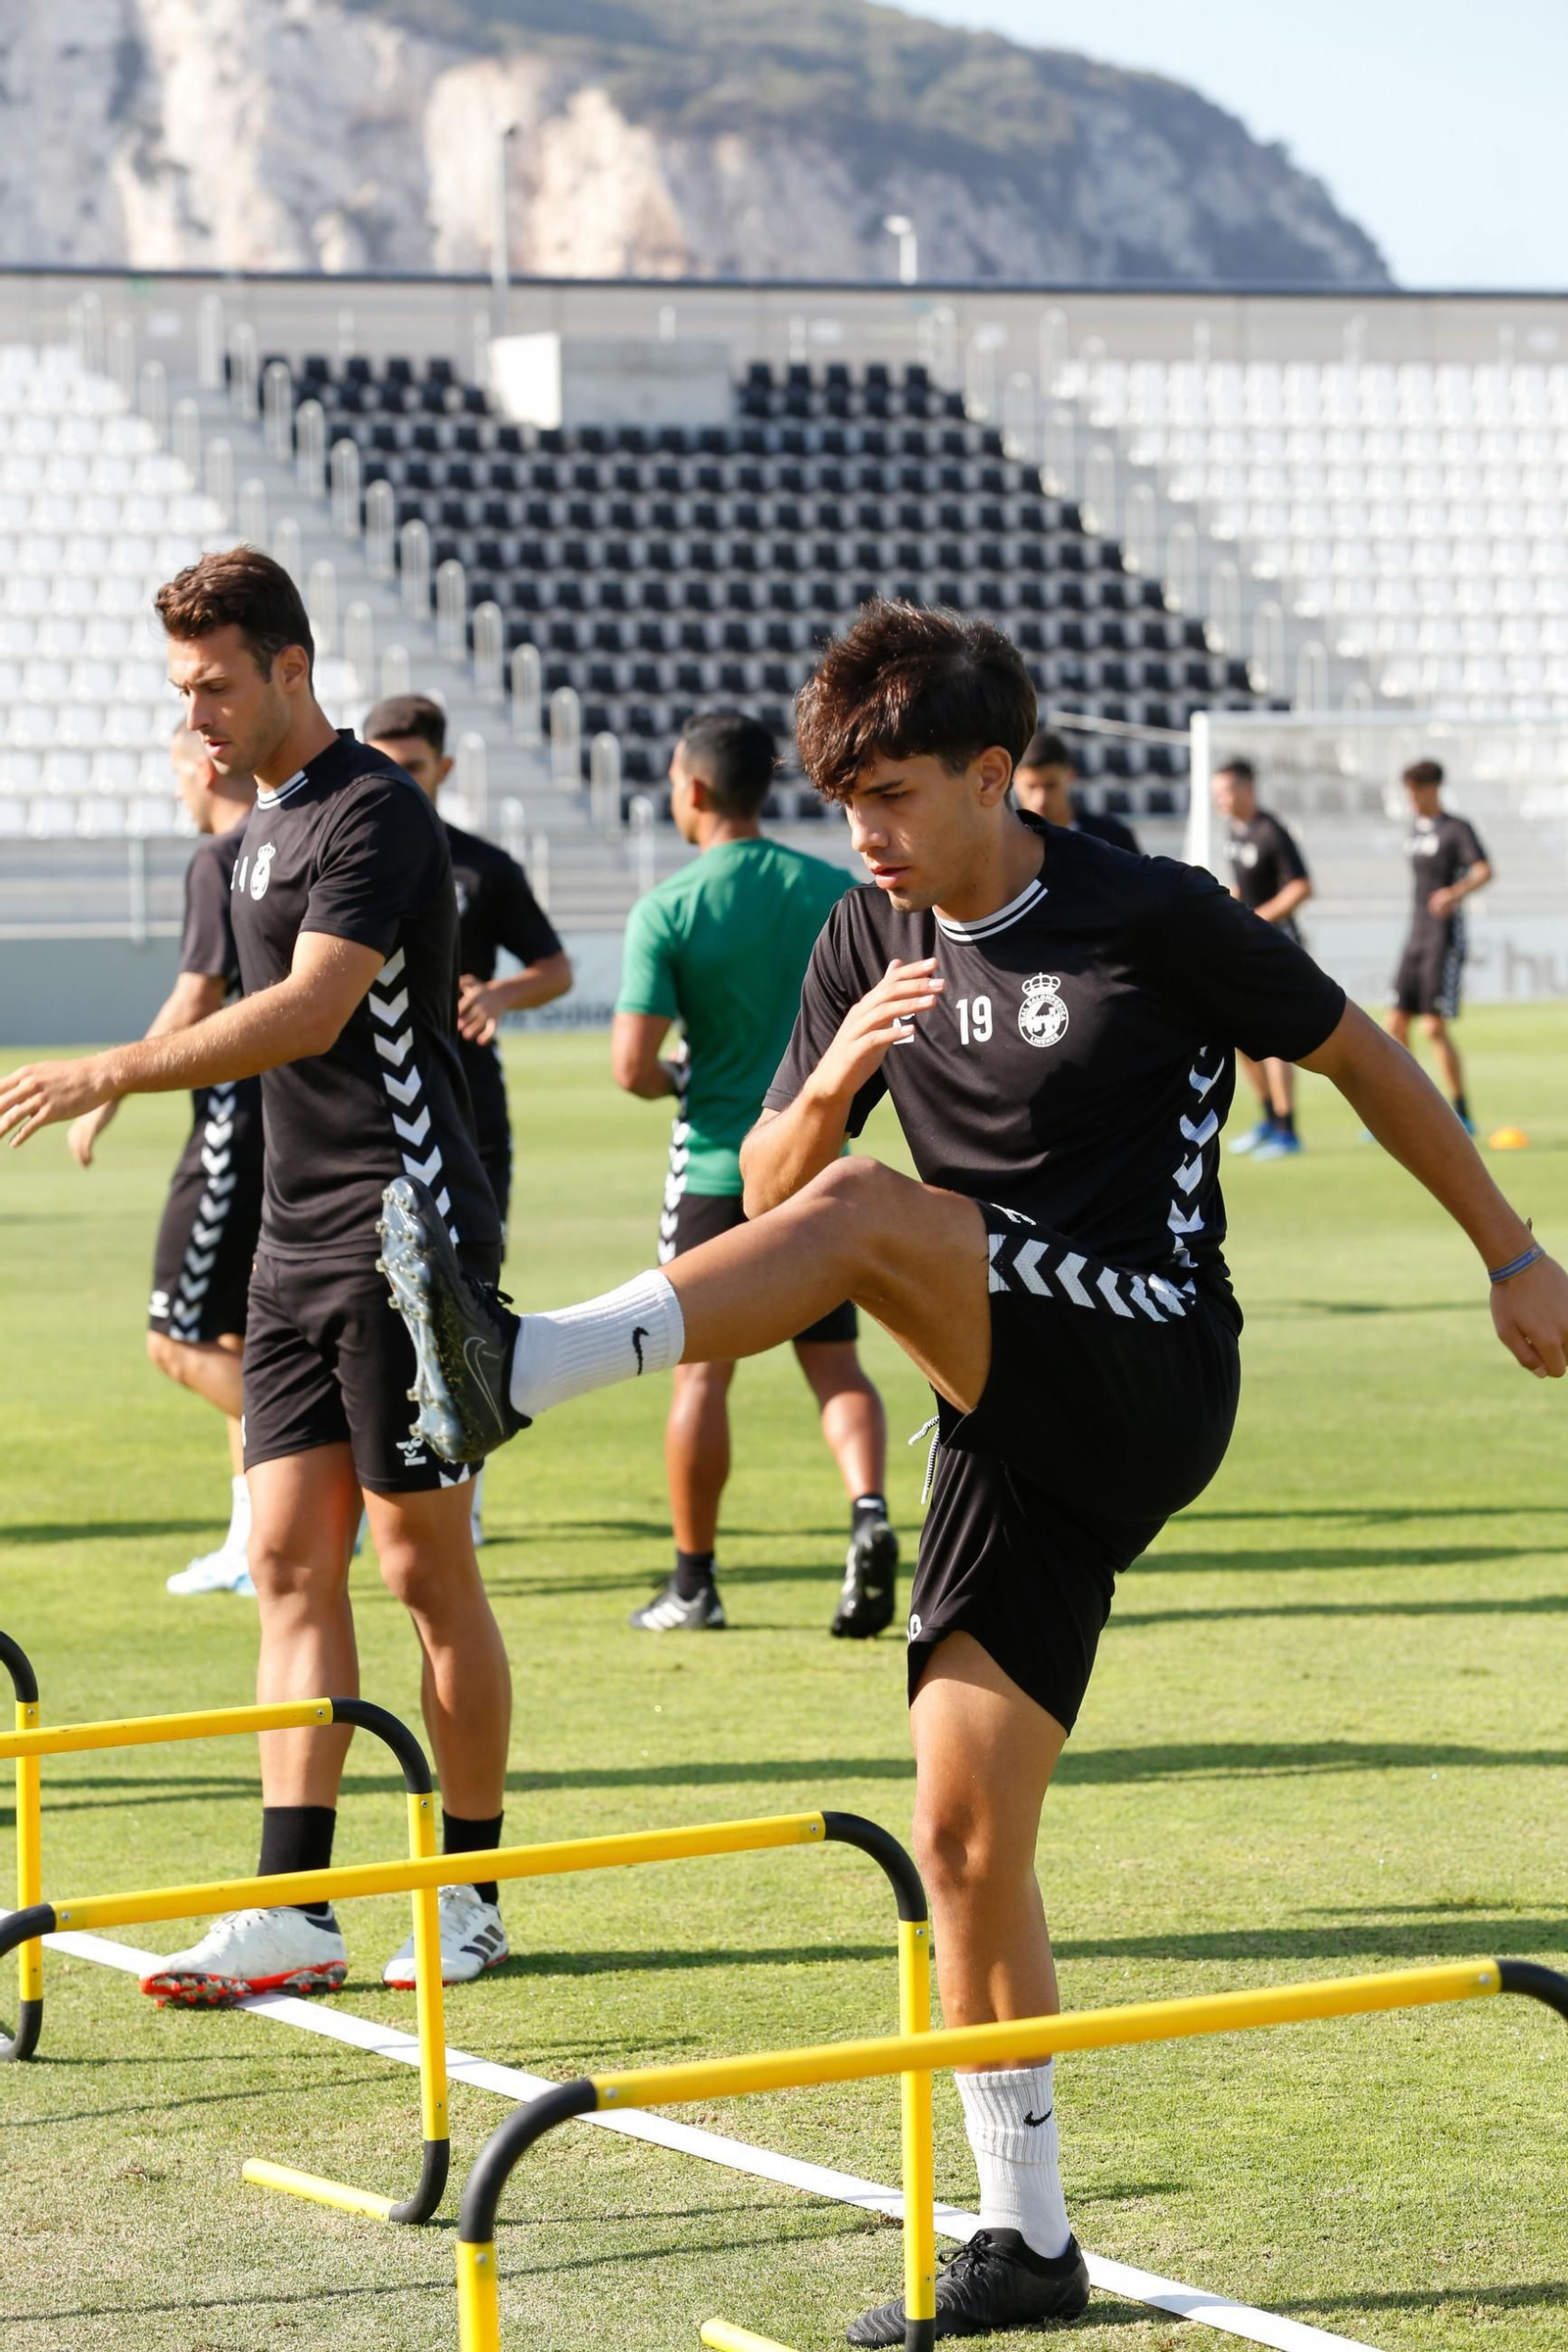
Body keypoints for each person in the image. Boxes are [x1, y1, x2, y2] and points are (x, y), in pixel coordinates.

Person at [362, 598, 1567, 2345]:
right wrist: (840, 1063)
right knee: (960, 1831)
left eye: (899, 796)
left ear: (1000, 776)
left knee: (873, 1218)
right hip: (1001, 1409)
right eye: (848, 800)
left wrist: (1514, 1256)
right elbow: (773, 1186)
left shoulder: (1148, 914)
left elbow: (1361, 1059)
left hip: (1149, 1356)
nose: (866, 834)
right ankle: (1030, 2242)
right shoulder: (867, 934)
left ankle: (522, 1365)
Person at [0, 548, 514, 2002]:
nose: (197, 714)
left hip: (409, 1237)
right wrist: (128, 1080)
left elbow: (307, 1011)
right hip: (294, 1247)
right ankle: (296, 1904)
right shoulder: (239, 848)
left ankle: (468, 1891)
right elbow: (223, 1003)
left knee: (422, 1566)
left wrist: (113, 1066)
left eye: (216, 684)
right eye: (182, 691)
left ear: (293, 667)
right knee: (289, 1560)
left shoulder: (378, 813)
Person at [611, 708, 897, 1637]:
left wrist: (679, 1078)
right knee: (836, 1364)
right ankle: (869, 1513)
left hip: (716, 1169)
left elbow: (631, 1065)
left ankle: (694, 1584)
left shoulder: (670, 907)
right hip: (817, 1166)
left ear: (692, 789)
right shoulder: (835, 892)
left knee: (700, 1377)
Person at [364, 692, 572, 1546]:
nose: (396, 779)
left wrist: (499, 993)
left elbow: (555, 967)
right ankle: (371, 1487)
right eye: (382, 763)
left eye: (412, 767)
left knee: (463, 1309)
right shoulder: (347, 854)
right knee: (370, 1316)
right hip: (372, 1123)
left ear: (443, 771)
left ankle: (463, 1491)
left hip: (466, 1115)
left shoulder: (483, 868)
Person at [68, 727, 263, 1593]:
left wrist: (104, 1093)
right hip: (288, 1127)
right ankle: (256, 1542)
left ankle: (332, 1453)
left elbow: (194, 995)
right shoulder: (286, 839)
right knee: (239, 1337)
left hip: (232, 1125)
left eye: (177, 769)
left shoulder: (218, 858)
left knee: (175, 1340)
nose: (177, 789)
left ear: (204, 765)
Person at [1211, 759, 1314, 1161]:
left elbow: (1301, 887)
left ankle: (1288, 1131)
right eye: (1216, 793)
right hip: (1243, 945)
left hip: (1275, 948)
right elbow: (1242, 886)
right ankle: (1271, 1119)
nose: (1220, 800)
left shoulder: (1271, 831)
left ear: (1246, 788)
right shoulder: (1234, 833)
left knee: (1270, 1040)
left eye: (1226, 791)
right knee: (1239, 1039)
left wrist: (1257, 918)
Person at [1388, 759, 1492, 1133]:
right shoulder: (1414, 830)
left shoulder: (1456, 829)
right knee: (1395, 1023)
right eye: (1408, 791)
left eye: (1417, 790)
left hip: (1443, 938)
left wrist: (1455, 892)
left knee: (1433, 1027)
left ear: (1434, 788)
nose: (1411, 798)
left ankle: (1461, 1112)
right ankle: (1412, 1106)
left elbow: (1484, 870)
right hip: (1415, 932)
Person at [1010, 726, 1139, 852]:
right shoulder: (1003, 844)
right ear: (1014, 780)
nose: (1041, 799)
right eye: (1031, 787)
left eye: (1051, 785)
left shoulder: (1113, 837)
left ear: (1070, 776)